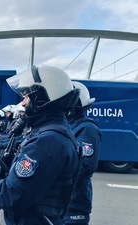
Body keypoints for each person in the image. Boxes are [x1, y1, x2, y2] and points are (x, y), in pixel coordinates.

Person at [0, 65, 81, 225]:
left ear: (42, 98)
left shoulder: (47, 141)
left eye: (26, 96)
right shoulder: (51, 134)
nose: (23, 103)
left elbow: (10, 196)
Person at [63, 81, 101, 225]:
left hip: (74, 205)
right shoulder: (69, 125)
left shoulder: (86, 128)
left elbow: (85, 167)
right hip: (63, 202)